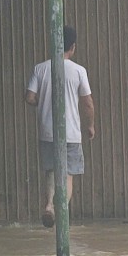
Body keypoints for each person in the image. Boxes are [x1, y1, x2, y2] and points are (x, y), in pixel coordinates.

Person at [25, 26, 95, 228]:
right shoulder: (79, 71)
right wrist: (90, 125)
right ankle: (58, 210)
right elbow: (88, 103)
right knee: (68, 173)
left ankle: (49, 205)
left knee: (51, 170)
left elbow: (29, 97)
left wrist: (43, 103)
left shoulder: (40, 68)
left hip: (47, 131)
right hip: (70, 132)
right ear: (72, 47)